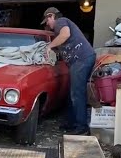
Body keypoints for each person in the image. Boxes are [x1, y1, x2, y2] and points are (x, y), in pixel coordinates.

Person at [41, 7, 96, 135]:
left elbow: (65, 34)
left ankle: (82, 127)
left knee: (77, 93)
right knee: (72, 92)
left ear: (51, 16)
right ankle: (71, 123)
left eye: (47, 21)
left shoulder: (61, 21)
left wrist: (49, 46)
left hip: (82, 59)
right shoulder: (57, 33)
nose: (47, 25)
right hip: (81, 60)